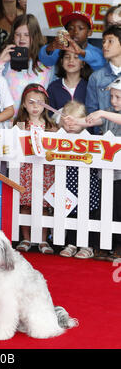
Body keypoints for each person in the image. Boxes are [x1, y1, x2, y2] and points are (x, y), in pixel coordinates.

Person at [64, 78, 121, 260]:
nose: (113, 101)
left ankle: (118, 246)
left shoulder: (109, 114)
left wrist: (103, 113)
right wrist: (77, 122)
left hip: (120, 174)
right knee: (105, 210)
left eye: (118, 98)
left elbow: (106, 117)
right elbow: (91, 122)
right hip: (105, 173)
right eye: (112, 97)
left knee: (119, 210)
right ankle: (103, 245)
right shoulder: (108, 114)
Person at [14, 84, 56, 255]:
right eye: (31, 102)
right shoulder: (20, 124)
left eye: (40, 102)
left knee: (43, 205)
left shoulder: (50, 125)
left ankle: (42, 239)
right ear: (24, 104)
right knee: (25, 204)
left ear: (46, 104)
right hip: (25, 170)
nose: (35, 106)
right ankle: (26, 238)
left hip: (45, 170)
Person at [58, 101, 100, 259]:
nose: (71, 125)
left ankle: (87, 245)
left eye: (75, 120)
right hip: (68, 185)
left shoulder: (90, 139)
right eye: (67, 120)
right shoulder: (59, 138)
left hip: (88, 185)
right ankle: (71, 243)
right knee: (70, 214)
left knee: (88, 215)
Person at [0, 14, 52, 117]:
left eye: (27, 35)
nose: (21, 38)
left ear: (35, 36)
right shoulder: (3, 60)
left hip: (35, 123)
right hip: (7, 122)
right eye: (17, 34)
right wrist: (0, 63)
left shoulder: (46, 64)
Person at [38, 11, 106, 72]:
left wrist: (82, 52)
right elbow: (46, 61)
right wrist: (49, 48)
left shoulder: (96, 51)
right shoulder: (62, 48)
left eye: (81, 28)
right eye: (71, 28)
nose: (75, 32)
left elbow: (101, 63)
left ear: (89, 32)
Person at [85, 25, 121, 120]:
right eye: (103, 42)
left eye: (110, 41)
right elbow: (91, 110)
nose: (104, 45)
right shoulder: (96, 77)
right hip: (104, 133)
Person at [47, 50, 91, 118]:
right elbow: (48, 115)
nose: (71, 60)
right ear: (61, 62)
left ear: (83, 63)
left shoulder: (89, 87)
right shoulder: (53, 87)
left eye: (76, 57)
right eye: (67, 57)